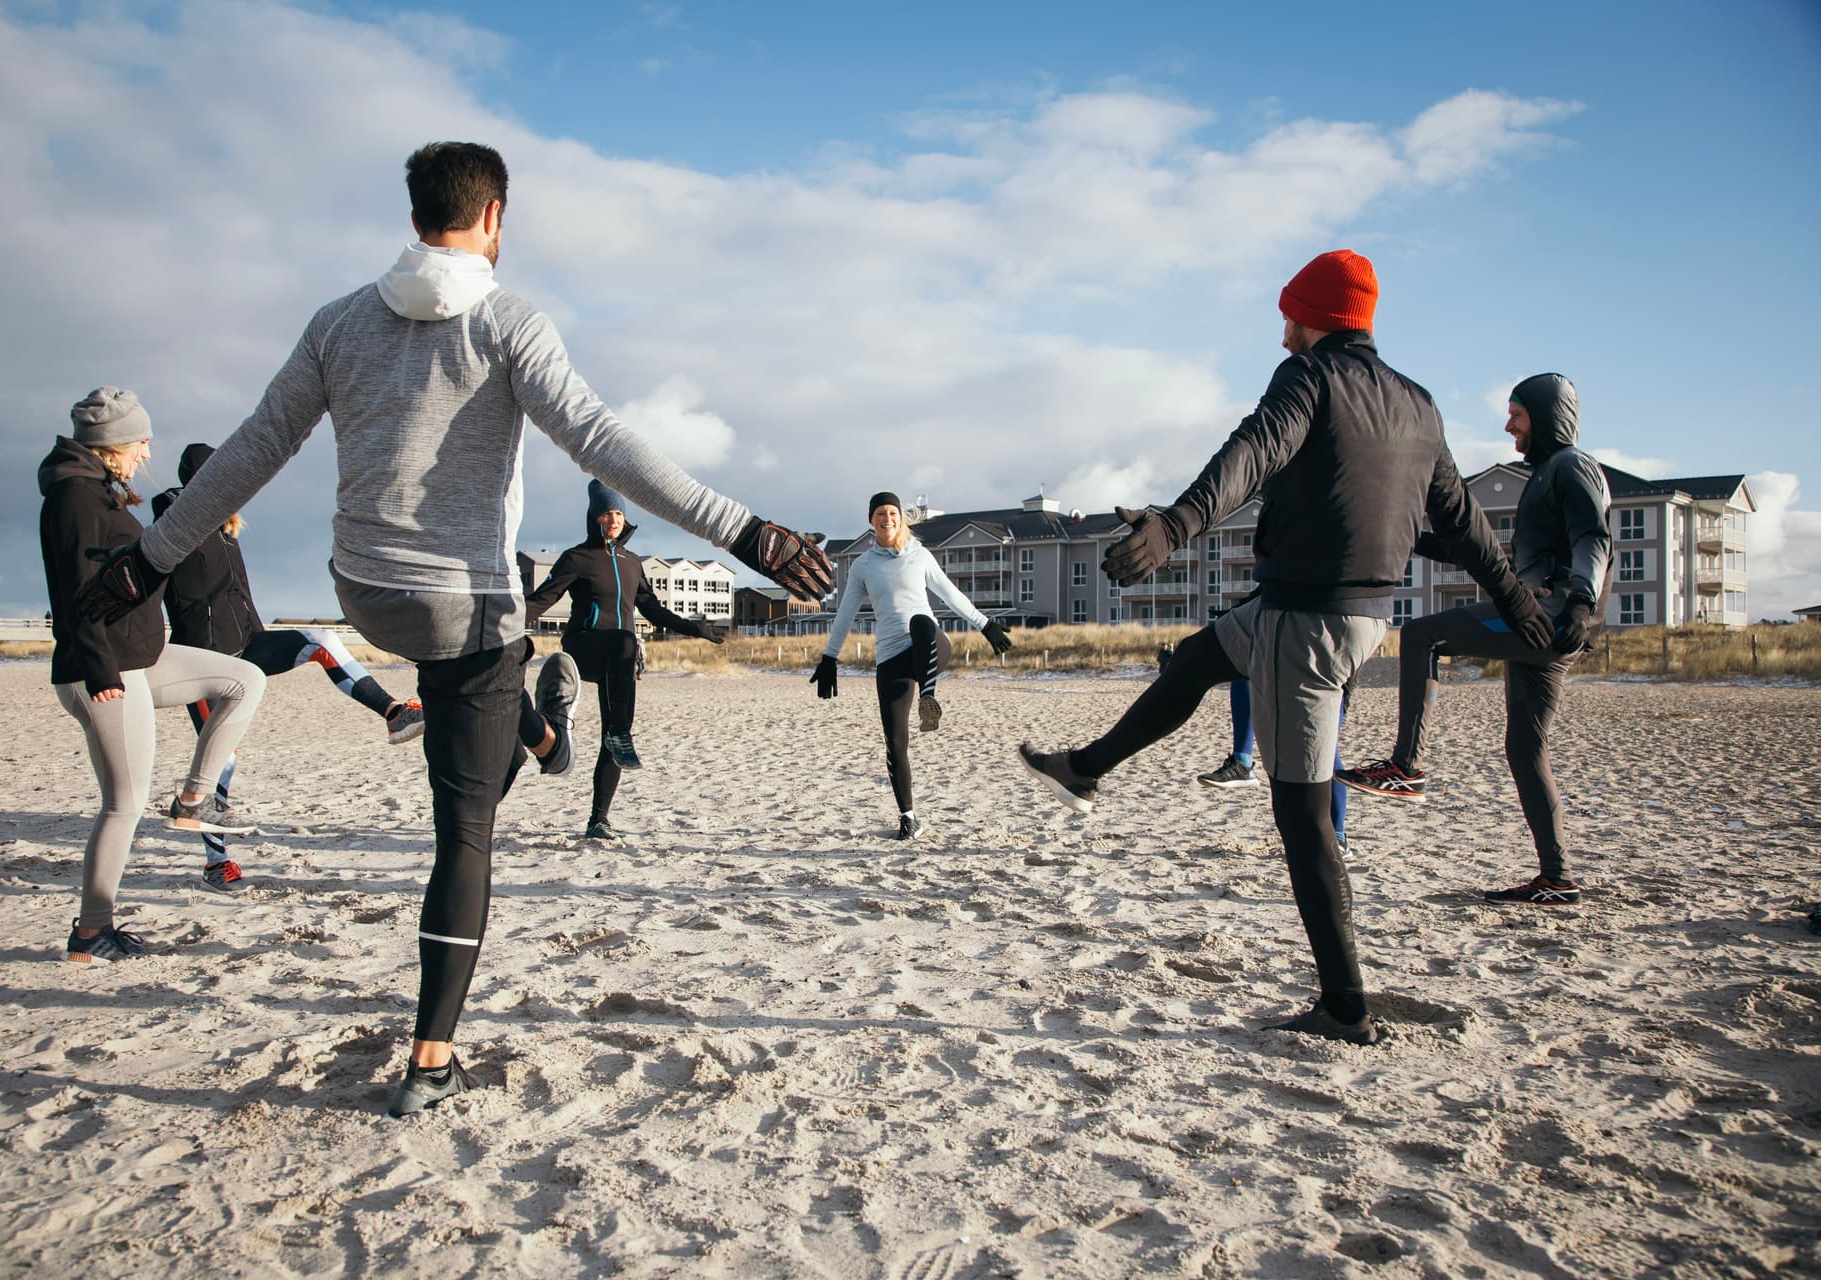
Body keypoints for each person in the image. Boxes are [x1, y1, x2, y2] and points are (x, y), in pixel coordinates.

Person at [77, 143, 831, 1116]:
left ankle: (530, 720)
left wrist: (149, 554)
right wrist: (745, 530)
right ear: (494, 219)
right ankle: (430, 1058)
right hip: (465, 602)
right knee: (464, 828)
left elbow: (256, 447)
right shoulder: (510, 322)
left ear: (416, 213)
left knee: (471, 689)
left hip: (366, 592)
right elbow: (605, 443)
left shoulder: (337, 322)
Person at [1017, 249, 1552, 1044]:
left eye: (1288, 316)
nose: (1281, 336)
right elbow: (1464, 522)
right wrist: (1519, 603)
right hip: (1357, 616)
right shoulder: (1417, 402)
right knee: (1199, 658)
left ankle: (1344, 1005)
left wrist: (1174, 525)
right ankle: (1085, 769)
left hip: (1304, 623)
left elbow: (1252, 452)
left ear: (1317, 317)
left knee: (1300, 812)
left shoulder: (1310, 380)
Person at [1336, 373, 1608, 906]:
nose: (1509, 424)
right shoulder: (1546, 475)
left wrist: (1581, 600)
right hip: (1546, 623)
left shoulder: (1572, 467)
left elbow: (1593, 536)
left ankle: (1405, 767)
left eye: (1518, 414)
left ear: (1547, 417)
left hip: (1548, 617)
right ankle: (1556, 877)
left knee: (1422, 636)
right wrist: (1414, 539)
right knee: (1526, 751)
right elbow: (1496, 560)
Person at [39, 388, 267, 961]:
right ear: (114, 443)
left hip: (139, 657)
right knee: (124, 804)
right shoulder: (74, 498)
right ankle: (93, 930)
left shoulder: (100, 492)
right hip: (107, 670)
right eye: (141, 442)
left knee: (244, 680)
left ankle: (194, 799)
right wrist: (98, 670)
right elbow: (73, 595)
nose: (145, 453)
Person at [153, 443, 426, 893]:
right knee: (220, 762)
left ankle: (393, 712)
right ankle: (216, 864)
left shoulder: (225, 530)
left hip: (247, 645)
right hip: (201, 663)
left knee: (322, 641)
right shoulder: (175, 520)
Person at [520, 479, 727, 841]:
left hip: (619, 657)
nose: (614, 519)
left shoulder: (633, 563)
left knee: (613, 732)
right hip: (583, 647)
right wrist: (499, 620)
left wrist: (694, 629)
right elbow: (542, 600)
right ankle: (621, 732)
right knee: (625, 644)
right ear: (593, 517)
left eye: (618, 513)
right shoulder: (577, 558)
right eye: (607, 512)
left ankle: (598, 820)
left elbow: (653, 610)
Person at [814, 493, 1012, 839]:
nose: (886, 518)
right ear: (871, 520)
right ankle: (908, 818)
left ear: (901, 518)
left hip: (931, 647)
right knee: (895, 742)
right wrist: (830, 656)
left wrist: (984, 624)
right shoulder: (862, 566)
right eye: (880, 513)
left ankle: (929, 697)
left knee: (920, 621)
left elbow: (951, 594)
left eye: (892, 513)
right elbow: (845, 614)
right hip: (892, 659)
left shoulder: (920, 556)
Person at [1197, 679, 1355, 857]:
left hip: (1330, 681)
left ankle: (1338, 837)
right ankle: (1242, 760)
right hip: (1295, 673)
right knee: (1246, 668)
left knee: (1324, 751)